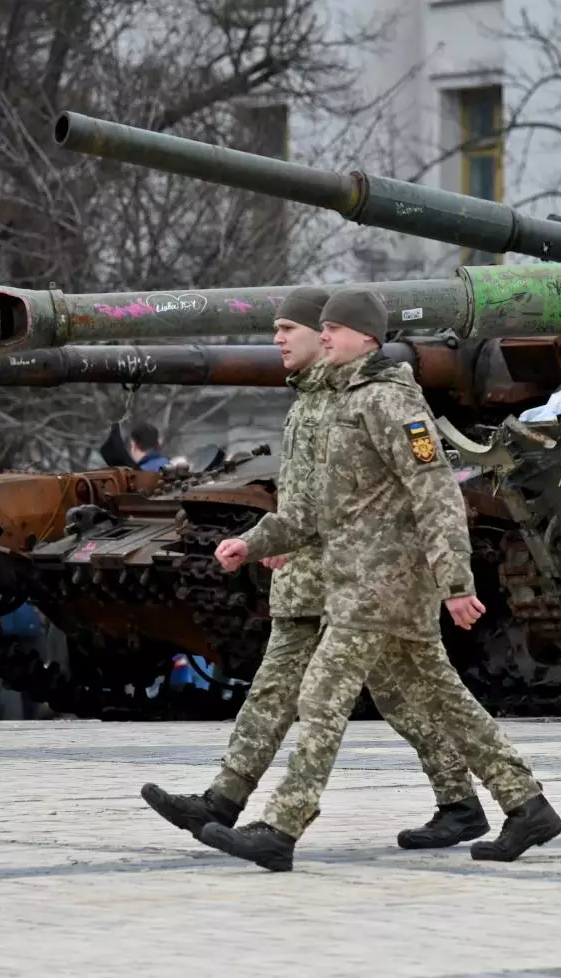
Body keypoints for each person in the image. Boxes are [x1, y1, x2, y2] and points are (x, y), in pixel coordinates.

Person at [199, 285, 561, 871]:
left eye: (333, 330)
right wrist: (254, 541)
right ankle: (526, 804)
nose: (323, 338)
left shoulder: (391, 401)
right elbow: (312, 511)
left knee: (321, 693)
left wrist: (456, 583)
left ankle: (282, 826)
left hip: (386, 583)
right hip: (358, 580)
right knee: (444, 702)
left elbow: (438, 494)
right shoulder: (344, 400)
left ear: (366, 337)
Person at [141, 287, 489, 848]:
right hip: (311, 575)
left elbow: (395, 494)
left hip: (357, 581)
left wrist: (447, 579)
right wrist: (264, 540)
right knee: (276, 690)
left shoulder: (355, 396)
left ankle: (465, 799)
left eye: (290, 328)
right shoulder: (308, 400)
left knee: (396, 697)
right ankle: (225, 798)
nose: (280, 339)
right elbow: (305, 501)